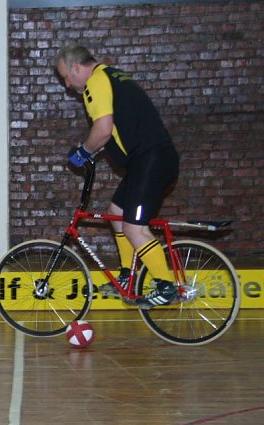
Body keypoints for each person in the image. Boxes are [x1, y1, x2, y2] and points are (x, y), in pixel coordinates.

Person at [55, 45, 181, 309]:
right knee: (116, 211)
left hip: (151, 160)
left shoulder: (96, 81)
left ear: (77, 66)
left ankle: (166, 286)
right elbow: (114, 131)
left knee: (135, 228)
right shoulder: (111, 76)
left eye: (66, 76)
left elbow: (103, 130)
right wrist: (91, 150)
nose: (67, 84)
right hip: (147, 160)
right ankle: (128, 277)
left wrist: (82, 153)